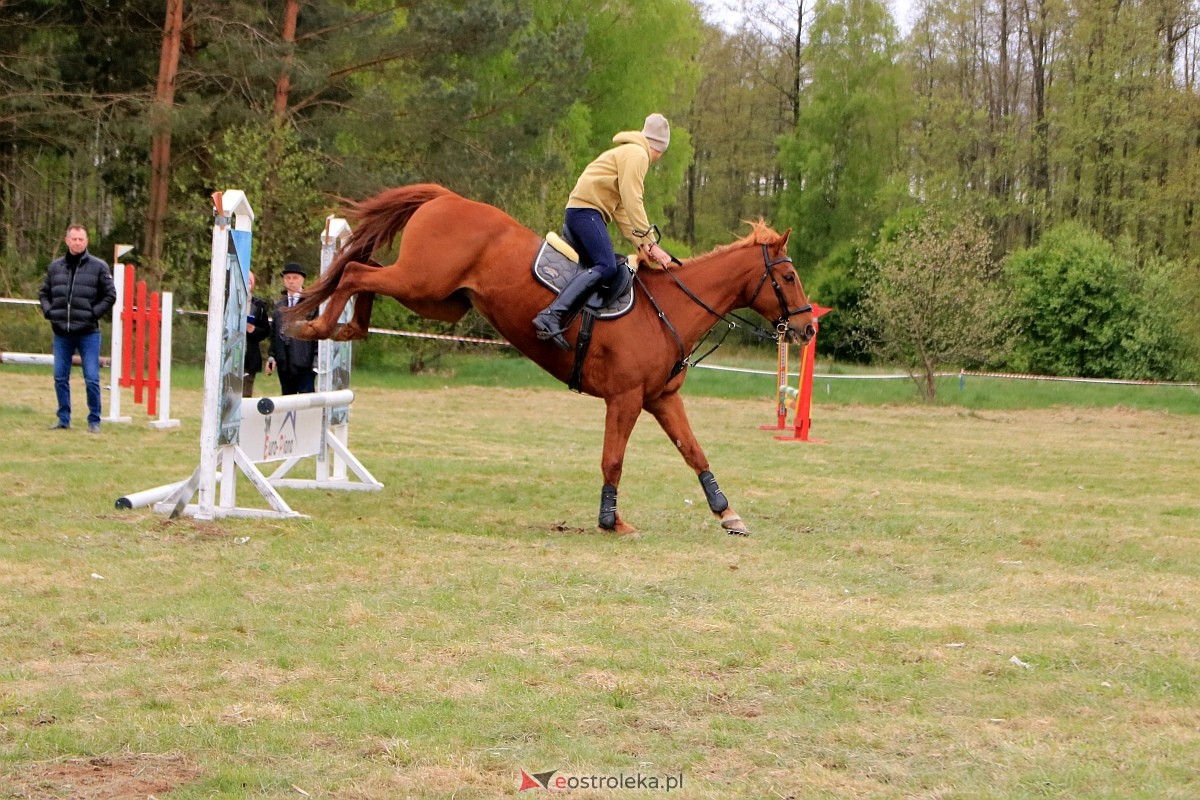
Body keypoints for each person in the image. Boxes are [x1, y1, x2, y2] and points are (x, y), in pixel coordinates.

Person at [532, 112, 675, 350]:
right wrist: (651, 243)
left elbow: (620, 210)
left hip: (583, 212)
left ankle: (577, 322)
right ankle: (551, 316)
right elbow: (633, 200)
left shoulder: (628, 152)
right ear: (659, 148)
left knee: (611, 265)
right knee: (607, 266)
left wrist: (641, 245)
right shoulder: (638, 155)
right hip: (586, 212)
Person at [38, 224, 117, 433]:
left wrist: (92, 313)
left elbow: (110, 295)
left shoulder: (99, 267)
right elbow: (44, 293)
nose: (77, 242)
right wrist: (49, 312)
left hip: (88, 333)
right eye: (73, 239)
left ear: (86, 241)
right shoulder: (55, 267)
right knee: (59, 377)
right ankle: (63, 418)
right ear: (67, 241)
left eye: (81, 239)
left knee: (91, 378)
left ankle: (94, 420)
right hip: (61, 333)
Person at [267, 262, 317, 395]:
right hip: (284, 365)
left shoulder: (310, 305)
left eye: (295, 278)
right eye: (288, 278)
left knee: (305, 403)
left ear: (302, 280)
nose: (291, 281)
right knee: (287, 404)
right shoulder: (279, 306)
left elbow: (317, 334)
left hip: (305, 364)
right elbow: (274, 334)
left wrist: (316, 362)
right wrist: (272, 357)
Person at [242, 271, 272, 397]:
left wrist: (253, 330)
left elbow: (266, 330)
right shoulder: (226, 301)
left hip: (249, 358)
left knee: (245, 395)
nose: (246, 284)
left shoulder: (259, 306)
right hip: (230, 356)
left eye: (249, 282)